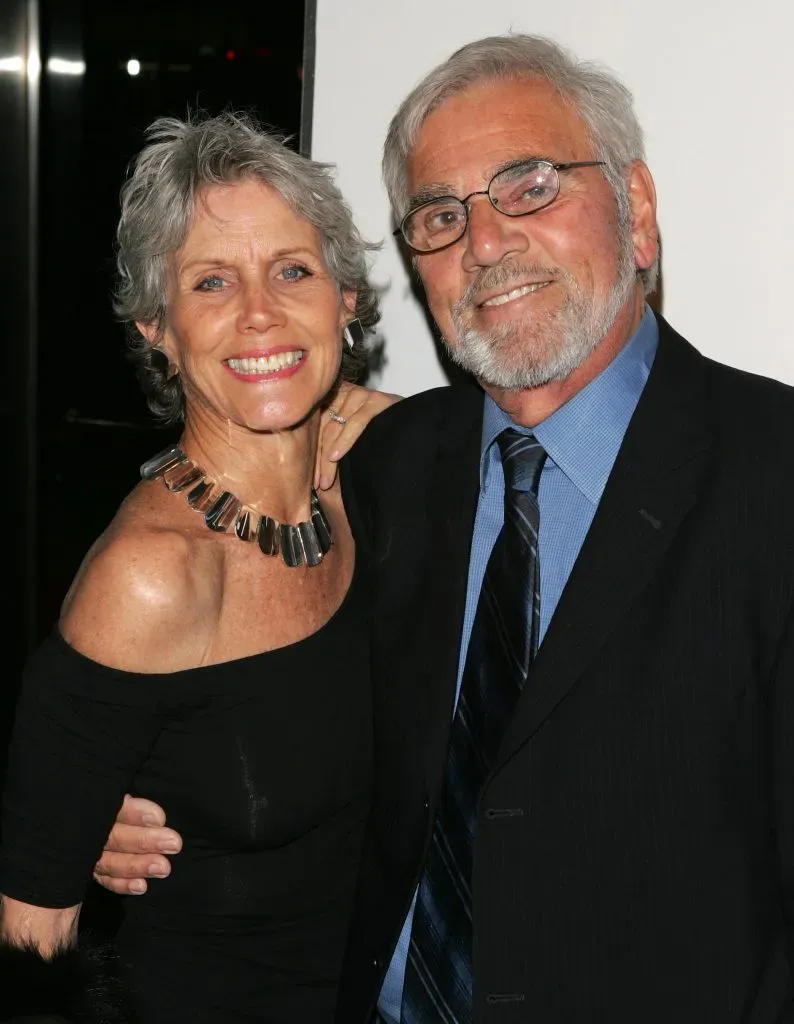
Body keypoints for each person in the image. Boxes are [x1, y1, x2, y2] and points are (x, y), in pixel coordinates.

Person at [93, 34, 794, 1024]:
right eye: (438, 214)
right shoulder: (378, 476)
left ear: (634, 211)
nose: (484, 241)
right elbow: (277, 719)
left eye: (529, 186)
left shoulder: (772, 477)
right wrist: (115, 792)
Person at [0, 112, 398, 1022]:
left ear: (346, 299)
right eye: (212, 281)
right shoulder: (151, 576)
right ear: (157, 330)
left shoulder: (383, 485)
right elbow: (29, 944)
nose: (261, 312)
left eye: (293, 271)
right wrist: (80, 829)